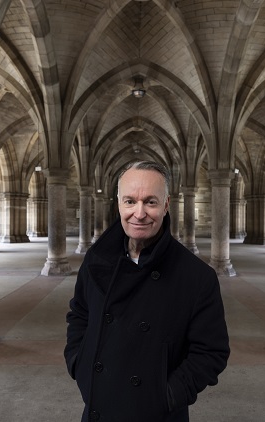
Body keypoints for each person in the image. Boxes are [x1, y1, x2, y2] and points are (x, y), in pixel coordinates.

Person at [64, 161, 230, 421]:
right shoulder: (96, 260)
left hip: (156, 414)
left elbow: (212, 352)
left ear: (166, 205)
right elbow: (80, 314)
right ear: (118, 203)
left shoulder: (197, 277)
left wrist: (168, 395)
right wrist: (78, 361)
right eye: (130, 201)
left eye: (150, 202)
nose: (139, 213)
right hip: (99, 407)